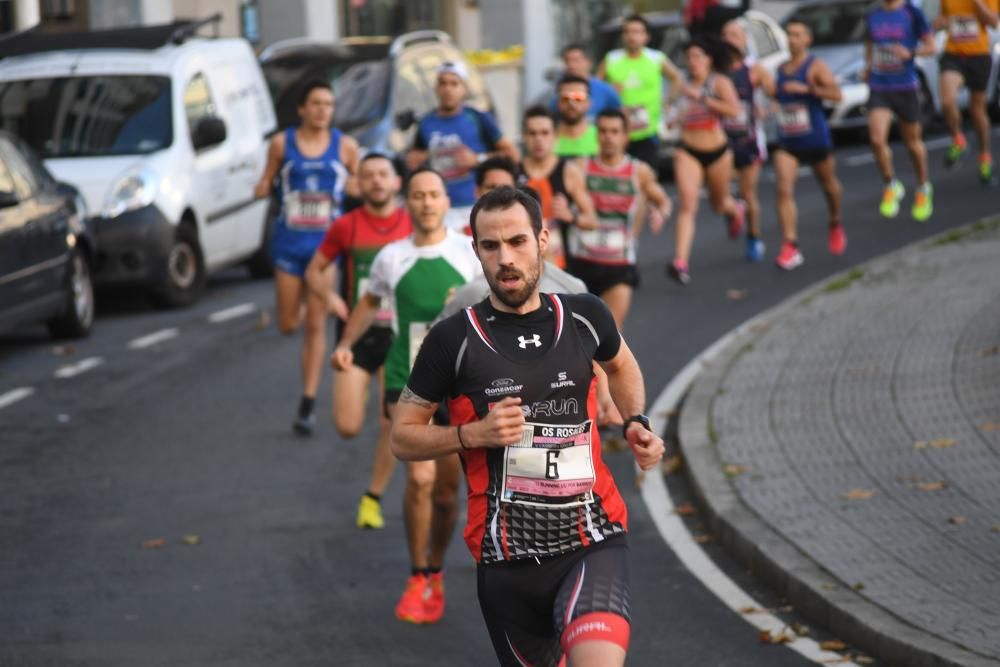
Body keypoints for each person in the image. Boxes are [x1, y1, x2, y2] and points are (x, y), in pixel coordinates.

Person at [391, 185, 665, 667]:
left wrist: (635, 421)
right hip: (505, 559)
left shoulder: (585, 315)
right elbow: (402, 435)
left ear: (543, 240)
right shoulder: (452, 340)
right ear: (475, 250)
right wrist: (470, 435)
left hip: (591, 538)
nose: (506, 259)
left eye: (517, 241)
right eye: (491, 247)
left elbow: (621, 366)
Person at [331, 168, 481, 625]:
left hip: (459, 385)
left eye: (434, 194)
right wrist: (346, 344)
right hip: (407, 380)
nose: (427, 202)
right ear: (408, 202)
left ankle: (436, 567)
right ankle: (418, 574)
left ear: (443, 200)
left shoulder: (468, 253)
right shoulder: (390, 257)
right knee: (418, 480)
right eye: (418, 195)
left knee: (446, 495)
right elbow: (368, 303)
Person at [304, 153, 412, 529]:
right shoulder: (346, 226)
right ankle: (363, 389)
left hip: (400, 337)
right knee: (348, 426)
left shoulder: (412, 224)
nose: (377, 181)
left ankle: (373, 498)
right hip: (357, 334)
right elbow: (314, 270)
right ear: (359, 184)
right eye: (368, 176)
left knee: (390, 425)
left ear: (398, 182)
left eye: (384, 174)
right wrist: (330, 297)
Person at [254, 79, 359, 435]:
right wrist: (260, 187)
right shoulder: (281, 144)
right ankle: (296, 305)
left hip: (325, 249)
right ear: (301, 108)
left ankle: (308, 402)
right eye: (315, 103)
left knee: (316, 326)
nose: (322, 110)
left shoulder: (345, 147)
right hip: (288, 245)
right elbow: (265, 181)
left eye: (328, 104)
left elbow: (357, 187)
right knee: (288, 325)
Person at [571, 109, 673, 328]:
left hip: (619, 263)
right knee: (577, 336)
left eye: (615, 132)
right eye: (604, 131)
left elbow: (663, 200)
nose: (608, 137)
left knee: (610, 336)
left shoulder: (639, 171)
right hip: (581, 262)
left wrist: (660, 213)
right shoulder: (580, 167)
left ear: (625, 136)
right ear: (596, 135)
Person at [762, 21, 846, 271]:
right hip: (788, 140)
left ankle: (835, 221)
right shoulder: (781, 69)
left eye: (797, 35)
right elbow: (781, 99)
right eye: (789, 34)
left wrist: (808, 88)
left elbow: (837, 95)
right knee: (783, 190)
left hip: (815, 137)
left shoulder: (816, 66)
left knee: (828, 186)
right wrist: (774, 103)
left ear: (807, 39)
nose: (792, 39)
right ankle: (790, 245)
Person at [406, 61, 519, 233]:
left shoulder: (478, 118)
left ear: (464, 89)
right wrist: (416, 162)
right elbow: (414, 161)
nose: (448, 89)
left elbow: (512, 154)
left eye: (454, 83)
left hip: (474, 205)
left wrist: (478, 159)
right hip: (440, 209)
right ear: (436, 88)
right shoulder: (426, 123)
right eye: (443, 83)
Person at [667, 37, 745, 286]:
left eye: (698, 56)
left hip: (718, 151)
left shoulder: (718, 82)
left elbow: (734, 111)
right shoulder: (681, 84)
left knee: (719, 203)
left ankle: (735, 210)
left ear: (709, 59)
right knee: (688, 205)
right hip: (688, 150)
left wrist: (702, 98)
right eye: (689, 57)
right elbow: (671, 111)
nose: (693, 62)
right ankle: (680, 261)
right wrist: (672, 118)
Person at [864, 0, 937, 221]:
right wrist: (868, 66)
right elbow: (869, 45)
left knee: (912, 144)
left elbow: (932, 46)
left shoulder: (912, 13)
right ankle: (891, 184)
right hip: (880, 86)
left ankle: (923, 187)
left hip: (905, 86)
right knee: (876, 140)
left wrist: (910, 53)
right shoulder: (873, 15)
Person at [598, 14, 684, 169]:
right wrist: (609, 92)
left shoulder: (656, 58)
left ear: (646, 36)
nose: (632, 36)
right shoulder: (611, 59)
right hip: (617, 132)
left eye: (637, 32)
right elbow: (595, 88)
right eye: (628, 31)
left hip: (648, 130)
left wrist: (669, 101)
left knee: (646, 176)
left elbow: (677, 77)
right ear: (623, 35)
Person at [519, 105, 599, 268]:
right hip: (522, 262)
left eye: (545, 133)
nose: (538, 139)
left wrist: (570, 215)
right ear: (524, 137)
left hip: (562, 265)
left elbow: (592, 221)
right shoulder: (513, 172)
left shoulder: (569, 172)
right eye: (532, 133)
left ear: (555, 136)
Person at [722, 20, 774, 262]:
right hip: (723, 140)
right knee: (723, 190)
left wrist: (766, 109)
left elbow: (776, 95)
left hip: (750, 139)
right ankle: (734, 211)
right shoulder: (718, 71)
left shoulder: (755, 69)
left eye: (734, 34)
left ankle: (754, 237)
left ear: (744, 39)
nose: (730, 39)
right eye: (726, 35)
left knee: (747, 192)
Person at [935, 0, 999, 184]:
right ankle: (958, 138)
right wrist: (941, 23)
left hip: (978, 55)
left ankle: (985, 155)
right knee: (947, 101)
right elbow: (942, 18)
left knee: (977, 111)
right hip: (953, 54)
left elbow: (993, 22)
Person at [549, 44, 622, 121]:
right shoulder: (558, 91)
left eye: (576, 60)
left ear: (589, 62)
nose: (571, 65)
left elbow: (620, 116)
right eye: (567, 61)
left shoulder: (605, 90)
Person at [555, 75, 600, 159]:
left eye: (578, 97)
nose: (571, 103)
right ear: (558, 103)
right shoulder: (545, 137)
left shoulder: (602, 137)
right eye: (565, 98)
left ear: (589, 103)